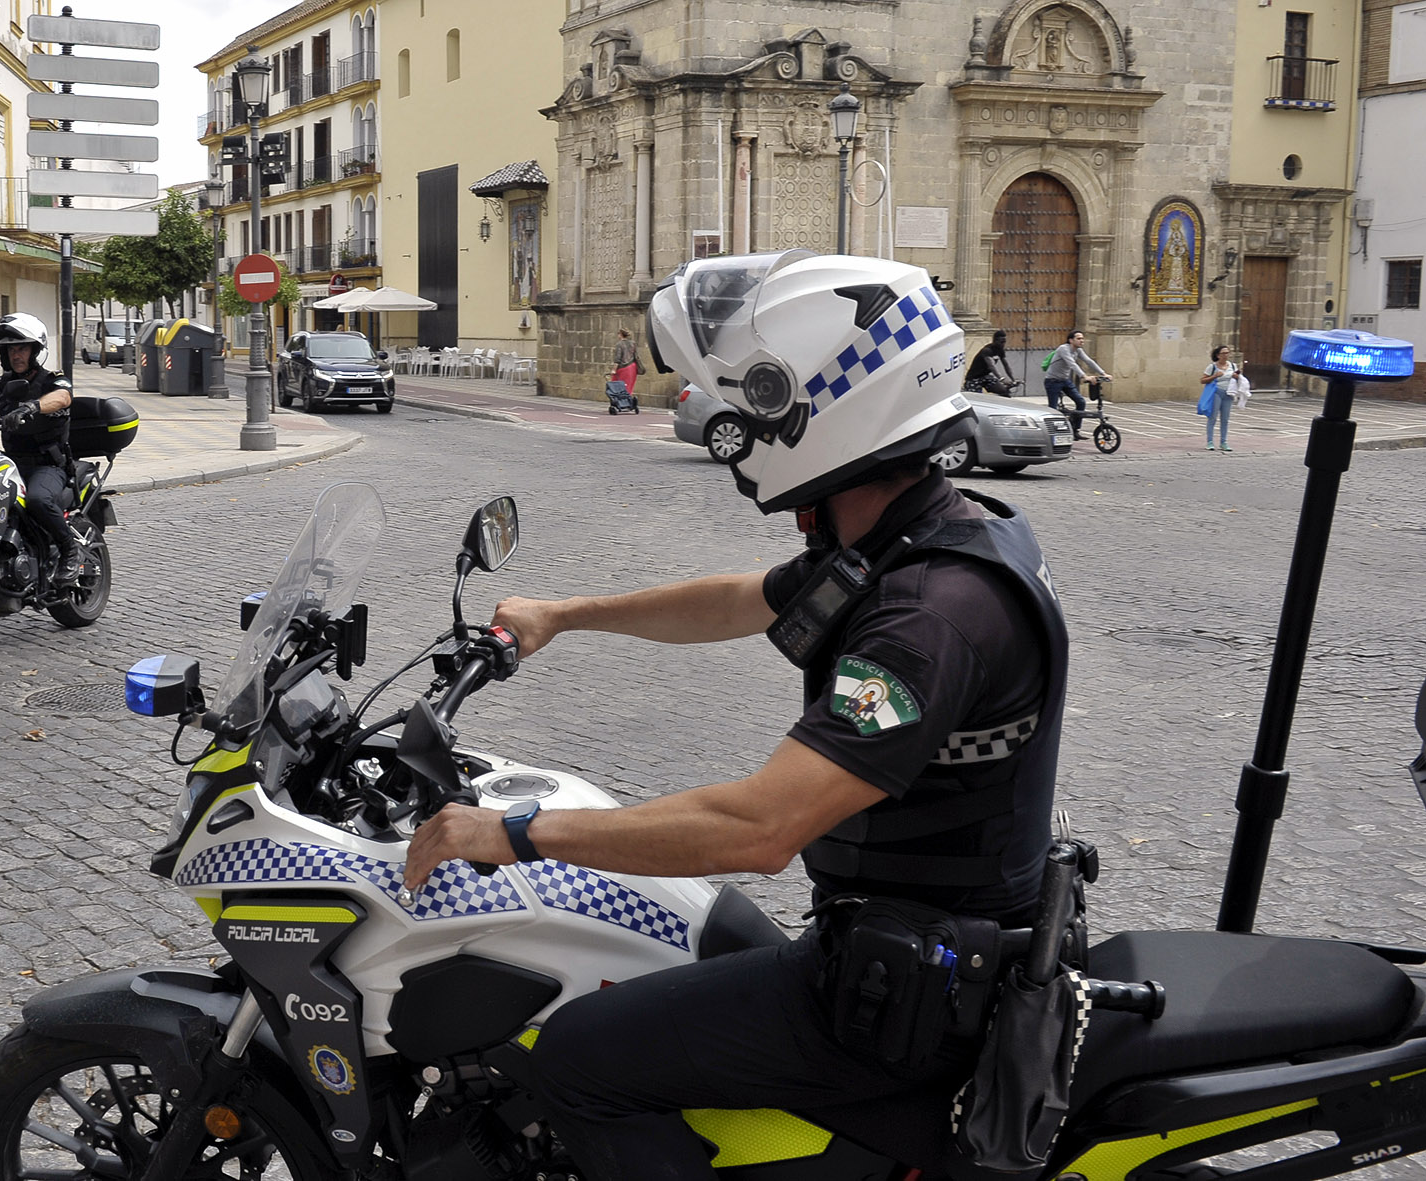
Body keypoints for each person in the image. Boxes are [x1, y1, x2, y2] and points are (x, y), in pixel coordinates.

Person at [403, 251, 1068, 1181]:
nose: (741, 430)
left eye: (756, 404)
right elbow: (742, 598)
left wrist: (515, 832)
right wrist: (564, 615)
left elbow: (762, 827)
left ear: (825, 405)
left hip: (910, 993)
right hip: (924, 948)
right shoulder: (919, 534)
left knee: (578, 1058)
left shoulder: (930, 615)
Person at [0, 312, 81, 584]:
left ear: (35, 350)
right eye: (10, 349)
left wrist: (33, 406)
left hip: (47, 465)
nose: (15, 355)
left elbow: (63, 397)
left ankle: (70, 552)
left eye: (21, 347)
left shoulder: (51, 380)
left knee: (37, 500)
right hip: (12, 464)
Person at [1043, 329, 1107, 440]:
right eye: (1078, 338)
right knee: (1053, 409)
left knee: (1081, 402)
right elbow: (1072, 364)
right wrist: (1084, 376)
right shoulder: (1064, 349)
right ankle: (1050, 434)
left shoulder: (1078, 351)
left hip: (1065, 380)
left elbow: (1089, 361)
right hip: (1052, 381)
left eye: (1082, 338)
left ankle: (1075, 430)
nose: (1082, 341)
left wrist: (1103, 373)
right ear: (1071, 340)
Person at [1201, 344, 1238, 452]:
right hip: (1216, 392)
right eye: (1223, 353)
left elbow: (1239, 378)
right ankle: (1210, 442)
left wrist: (1237, 377)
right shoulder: (1212, 367)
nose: (1226, 355)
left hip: (1229, 393)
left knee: (1225, 419)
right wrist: (1215, 376)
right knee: (1213, 417)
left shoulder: (1233, 366)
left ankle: (1223, 442)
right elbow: (1202, 380)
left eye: (1227, 353)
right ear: (1218, 355)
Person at [966, 330, 1018, 396]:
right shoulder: (987, 350)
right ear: (995, 340)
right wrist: (1001, 378)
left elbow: (1006, 365)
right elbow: (991, 366)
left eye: (1004, 342)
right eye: (1001, 342)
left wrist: (1013, 379)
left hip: (985, 376)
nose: (1003, 344)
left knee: (1003, 391)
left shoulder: (1000, 350)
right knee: (976, 397)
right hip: (974, 378)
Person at [610, 327, 640, 393]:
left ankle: (620, 401)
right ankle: (627, 400)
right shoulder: (633, 343)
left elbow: (618, 358)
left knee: (616, 386)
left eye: (618, 334)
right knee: (629, 386)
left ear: (620, 334)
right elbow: (636, 356)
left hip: (623, 368)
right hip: (632, 367)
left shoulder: (619, 344)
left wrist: (614, 369)